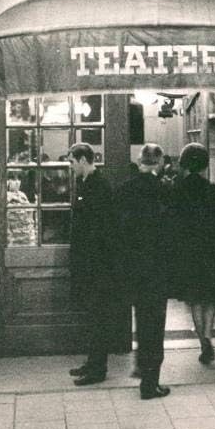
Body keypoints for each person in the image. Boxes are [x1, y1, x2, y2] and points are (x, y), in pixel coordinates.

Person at [169, 143, 215, 365]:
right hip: (212, 256)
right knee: (209, 299)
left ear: (184, 164)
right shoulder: (213, 191)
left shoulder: (177, 192)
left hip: (187, 257)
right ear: (204, 166)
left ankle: (202, 342)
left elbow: (171, 226)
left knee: (195, 301)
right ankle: (208, 336)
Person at [116, 143, 171, 399]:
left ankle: (140, 364)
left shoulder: (125, 189)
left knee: (138, 320)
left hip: (130, 267)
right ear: (159, 162)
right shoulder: (162, 190)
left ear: (140, 161)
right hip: (155, 269)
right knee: (154, 325)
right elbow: (170, 232)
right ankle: (150, 381)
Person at [67, 142, 118, 387]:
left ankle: (98, 368)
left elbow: (102, 229)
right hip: (87, 263)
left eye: (72, 162)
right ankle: (92, 362)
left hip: (97, 264)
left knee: (98, 317)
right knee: (92, 316)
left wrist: (95, 261)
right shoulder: (84, 184)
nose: (70, 166)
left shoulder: (100, 186)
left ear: (84, 160)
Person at [6, 172, 37, 246]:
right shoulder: (6, 195)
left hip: (26, 232)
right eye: (13, 179)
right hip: (12, 232)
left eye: (19, 179)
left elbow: (30, 211)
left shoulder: (22, 194)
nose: (17, 182)